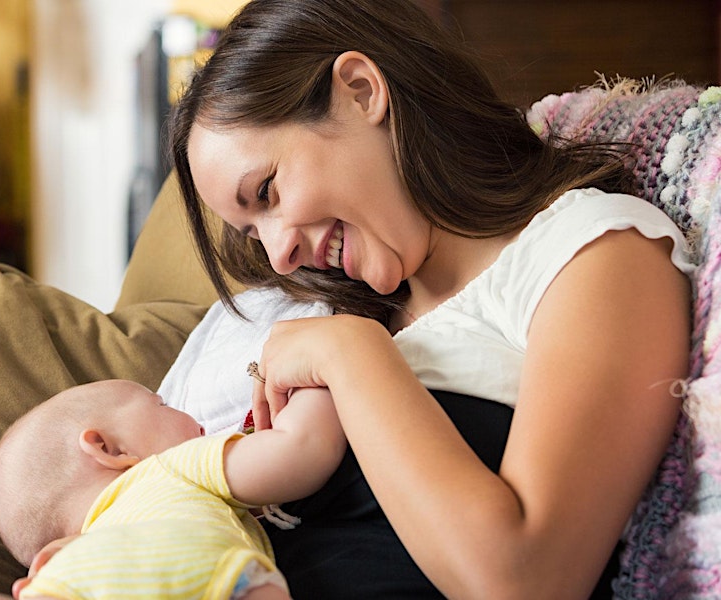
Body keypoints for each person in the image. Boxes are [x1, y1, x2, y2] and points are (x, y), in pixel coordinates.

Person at [167, 0, 694, 598]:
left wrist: (351, 356)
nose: (279, 256)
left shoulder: (592, 253)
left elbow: (527, 579)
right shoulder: (342, 312)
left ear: (362, 91)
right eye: (253, 234)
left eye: (268, 191)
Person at [0, 378, 346, 599]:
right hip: (209, 580)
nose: (188, 415)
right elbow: (301, 451)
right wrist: (312, 382)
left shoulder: (76, 557)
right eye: (162, 404)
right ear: (109, 449)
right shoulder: (171, 467)